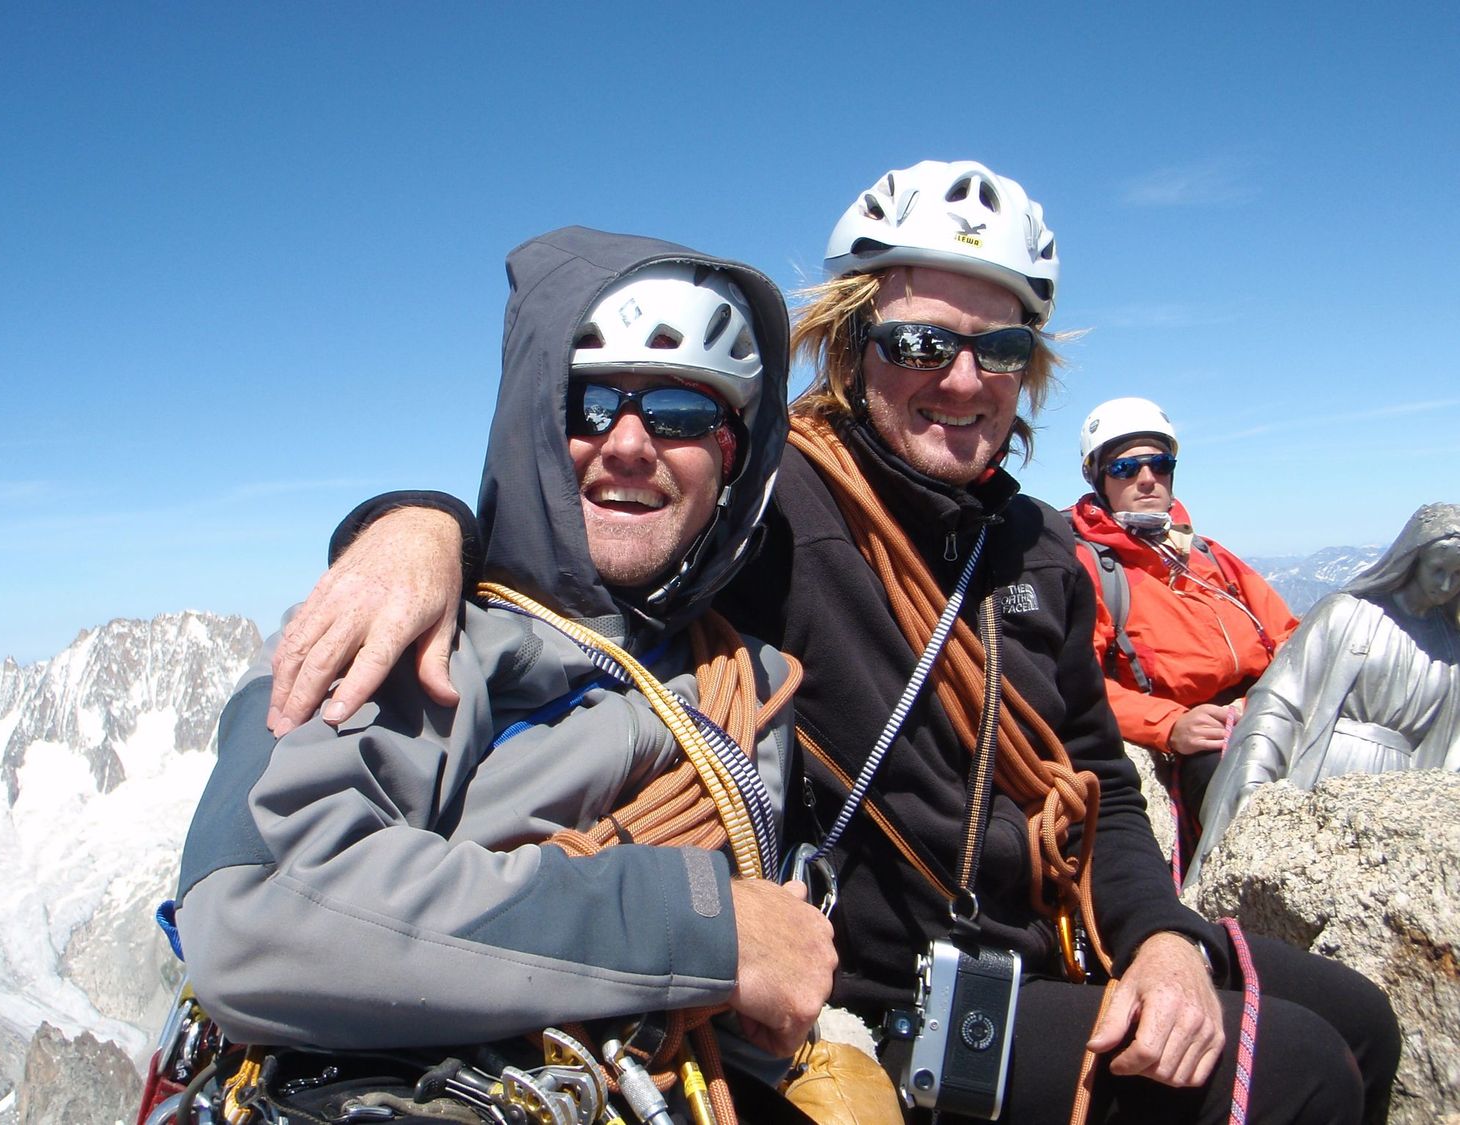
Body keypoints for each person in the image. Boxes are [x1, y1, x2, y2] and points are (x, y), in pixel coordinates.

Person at [264, 162, 1399, 1123]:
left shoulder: (1039, 546)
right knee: (1295, 1074)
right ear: (854, 345)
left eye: (998, 347)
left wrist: (1159, 940)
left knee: (1362, 1019)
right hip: (891, 992)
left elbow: (1096, 774)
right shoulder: (781, 507)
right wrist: (410, 525)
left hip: (1059, 932)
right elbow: (601, 519)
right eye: (918, 340)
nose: (960, 379)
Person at [172, 227, 840, 1123]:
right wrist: (708, 927)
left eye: (682, 412)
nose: (631, 443)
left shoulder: (752, 679)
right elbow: (258, 908)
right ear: (533, 426)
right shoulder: (409, 630)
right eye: (589, 405)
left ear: (731, 455)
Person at [1069, 397, 1299, 861]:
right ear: (1099, 479)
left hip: (1263, 709)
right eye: (1126, 467)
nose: (1147, 478)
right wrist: (1171, 725)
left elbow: (1291, 636)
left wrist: (1268, 699)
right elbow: (1082, 684)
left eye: (1160, 463)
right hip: (1198, 740)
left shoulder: (1209, 556)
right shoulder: (1088, 567)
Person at [1192, 501, 1460, 878]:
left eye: (1457, 574)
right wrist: (1254, 775)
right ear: (1413, 559)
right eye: (1438, 570)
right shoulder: (1347, 614)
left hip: (1399, 801)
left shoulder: (1452, 649)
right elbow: (1280, 703)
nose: (1446, 586)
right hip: (1321, 772)